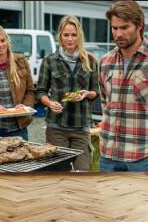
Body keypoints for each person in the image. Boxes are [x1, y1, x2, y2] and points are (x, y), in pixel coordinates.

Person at [99, 0, 148, 172]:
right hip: (108, 156)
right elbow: (106, 103)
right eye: (114, 28)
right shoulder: (105, 62)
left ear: (139, 26)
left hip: (144, 157)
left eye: (124, 28)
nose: (118, 33)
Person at [36, 15, 100, 171]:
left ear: (79, 36)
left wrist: (87, 94)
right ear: (60, 36)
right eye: (66, 35)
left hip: (81, 127)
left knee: (82, 172)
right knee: (59, 172)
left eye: (74, 34)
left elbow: (96, 92)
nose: (70, 39)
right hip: (57, 127)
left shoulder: (90, 61)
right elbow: (40, 92)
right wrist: (49, 103)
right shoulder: (49, 61)